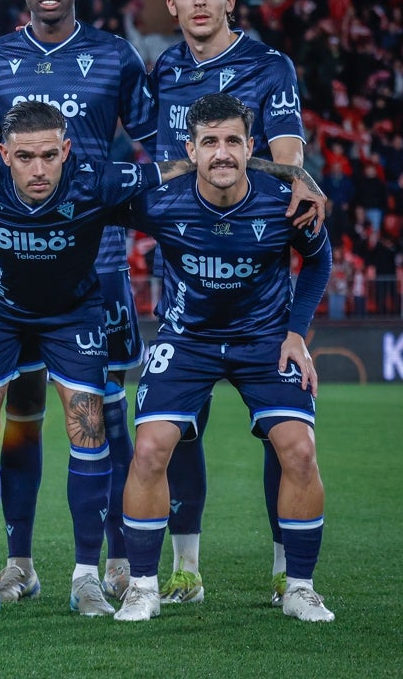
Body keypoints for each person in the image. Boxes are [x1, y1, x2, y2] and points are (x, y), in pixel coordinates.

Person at [0, 100, 190, 617]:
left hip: (71, 312)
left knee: (87, 427)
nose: (38, 169)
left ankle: (85, 578)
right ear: (3, 154)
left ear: (67, 150)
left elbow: (182, 168)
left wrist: (287, 173)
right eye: (24, 157)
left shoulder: (100, 179)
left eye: (49, 155)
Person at [0, 0, 158, 603]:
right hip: (13, 273)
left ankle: (119, 558)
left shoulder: (115, 55)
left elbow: (155, 147)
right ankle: (18, 561)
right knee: (18, 412)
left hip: (96, 272)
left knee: (103, 416)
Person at [114, 93, 334, 624]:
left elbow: (319, 261)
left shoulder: (284, 199)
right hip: (186, 340)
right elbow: (93, 204)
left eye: (233, 141)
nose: (222, 153)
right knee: (148, 449)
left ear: (250, 146)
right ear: (190, 149)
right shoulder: (159, 200)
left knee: (299, 449)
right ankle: (143, 587)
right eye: (209, 142)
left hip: (263, 342)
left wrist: (295, 334)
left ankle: (299, 587)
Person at [150, 0, 309, 607]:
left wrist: (295, 178)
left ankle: (284, 567)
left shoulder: (268, 66)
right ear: (171, 2)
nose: (199, 3)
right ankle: (185, 569)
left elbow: (288, 162)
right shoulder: (164, 69)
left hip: (258, 288)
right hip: (184, 277)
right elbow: (159, 170)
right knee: (178, 427)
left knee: (282, 431)